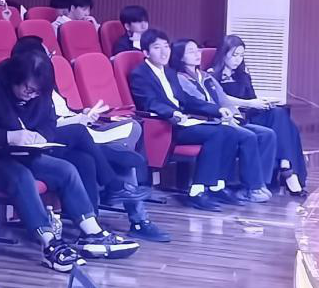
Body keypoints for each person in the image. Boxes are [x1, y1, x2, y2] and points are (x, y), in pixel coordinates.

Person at [0, 47, 137, 270]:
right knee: (22, 177)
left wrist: (42, 136)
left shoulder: (40, 90)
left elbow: (49, 122)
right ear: (15, 77)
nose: (32, 95)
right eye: (28, 89)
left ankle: (92, 233)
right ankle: (50, 244)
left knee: (65, 170)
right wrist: (8, 136)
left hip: (22, 152)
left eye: (36, 92)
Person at [12, 37, 168, 242]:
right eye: (46, 54)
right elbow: (43, 122)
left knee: (122, 135)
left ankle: (93, 226)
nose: (50, 58)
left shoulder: (47, 80)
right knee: (110, 149)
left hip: (77, 131)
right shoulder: (26, 86)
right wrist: (78, 120)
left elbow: (63, 110)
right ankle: (120, 194)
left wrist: (83, 113)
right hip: (56, 137)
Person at [128, 29, 248, 211]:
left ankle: (217, 186)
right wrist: (172, 113)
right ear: (146, 52)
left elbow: (187, 101)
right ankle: (197, 191)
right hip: (166, 125)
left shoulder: (169, 73)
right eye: (157, 48)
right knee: (216, 134)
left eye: (166, 46)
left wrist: (217, 110)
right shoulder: (140, 74)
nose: (164, 52)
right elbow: (149, 102)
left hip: (184, 121)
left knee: (230, 132)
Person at [172, 38, 275, 202]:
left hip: (225, 119)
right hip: (208, 122)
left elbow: (223, 99)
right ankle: (252, 188)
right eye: (191, 51)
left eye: (197, 50)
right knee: (248, 136)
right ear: (180, 57)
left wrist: (235, 116)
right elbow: (198, 104)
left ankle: (261, 183)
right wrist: (223, 116)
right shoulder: (180, 79)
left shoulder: (206, 76)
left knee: (267, 134)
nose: (197, 54)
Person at [210, 35, 308, 196]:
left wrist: (262, 102)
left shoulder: (243, 75)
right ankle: (287, 169)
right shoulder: (212, 76)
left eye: (241, 55)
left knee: (279, 113)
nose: (238, 60)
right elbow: (221, 99)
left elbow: (252, 98)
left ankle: (285, 163)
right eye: (234, 55)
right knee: (289, 127)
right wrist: (250, 103)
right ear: (223, 54)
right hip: (234, 117)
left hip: (251, 113)